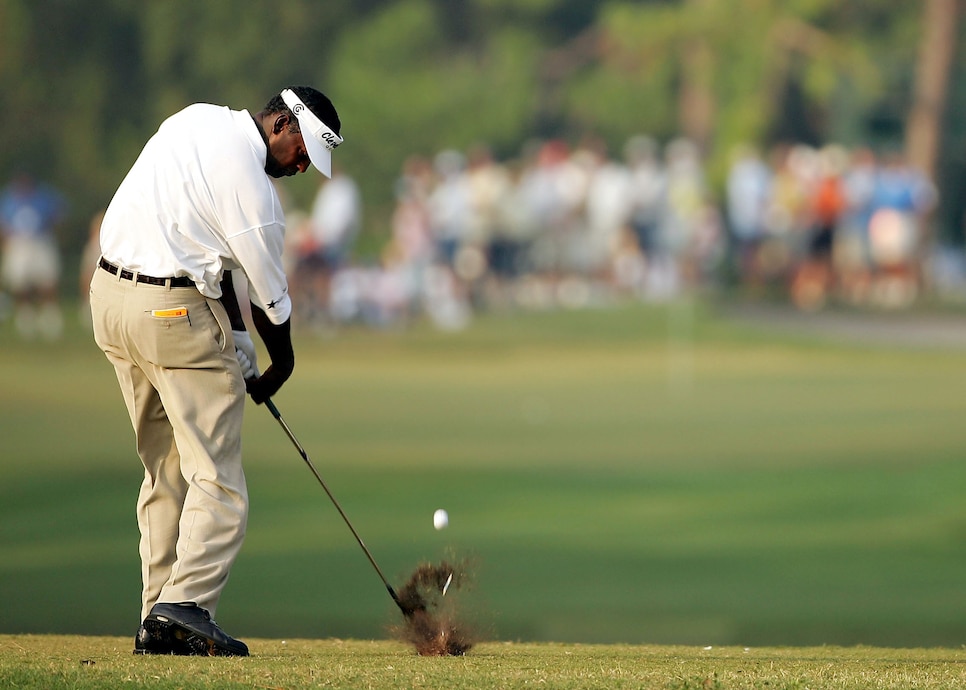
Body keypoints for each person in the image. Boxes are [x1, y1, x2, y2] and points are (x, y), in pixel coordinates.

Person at [89, 86, 342, 656]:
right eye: (303, 151)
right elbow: (272, 300)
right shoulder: (256, 191)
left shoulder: (197, 120)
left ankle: (158, 614)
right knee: (219, 479)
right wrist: (282, 363)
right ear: (280, 124)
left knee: (165, 470)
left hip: (109, 300)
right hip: (172, 314)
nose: (302, 166)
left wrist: (238, 338)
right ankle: (185, 607)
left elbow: (213, 258)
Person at [0, 172, 67, 340]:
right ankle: (26, 316)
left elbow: (59, 212)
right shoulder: (8, 199)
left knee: (47, 280)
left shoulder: (42, 197)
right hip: (18, 242)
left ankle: (49, 316)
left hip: (40, 239)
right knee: (20, 282)